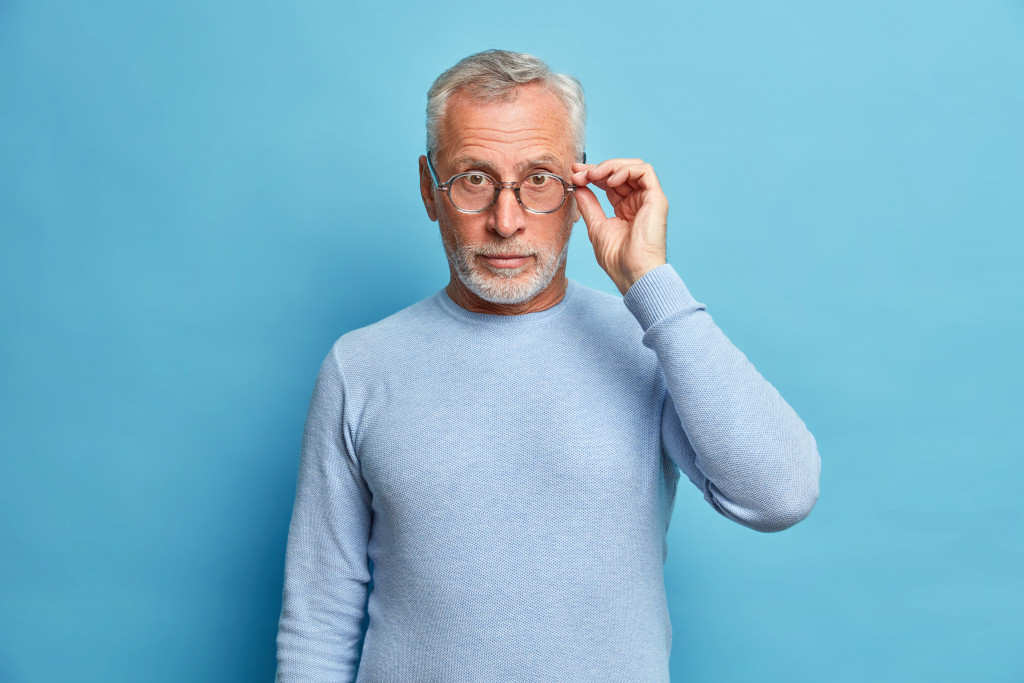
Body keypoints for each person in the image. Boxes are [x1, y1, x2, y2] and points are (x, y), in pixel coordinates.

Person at [275, 49, 821, 682]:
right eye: (473, 179)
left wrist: (652, 283)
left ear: (579, 185)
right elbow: (320, 615)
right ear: (430, 189)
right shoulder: (360, 366)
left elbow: (778, 495)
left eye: (539, 179)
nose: (506, 222)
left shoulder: (648, 343)